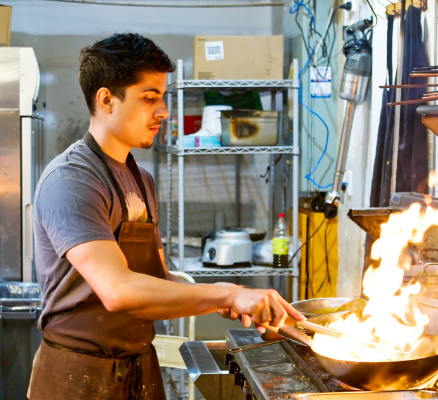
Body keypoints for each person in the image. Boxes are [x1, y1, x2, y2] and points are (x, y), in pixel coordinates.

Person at [28, 33, 304, 400]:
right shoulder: (72, 179)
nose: (163, 112)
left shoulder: (141, 180)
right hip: (79, 377)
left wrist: (220, 301)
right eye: (149, 98)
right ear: (106, 99)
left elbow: (157, 279)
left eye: (163, 98)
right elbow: (119, 290)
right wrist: (229, 291)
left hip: (139, 368)